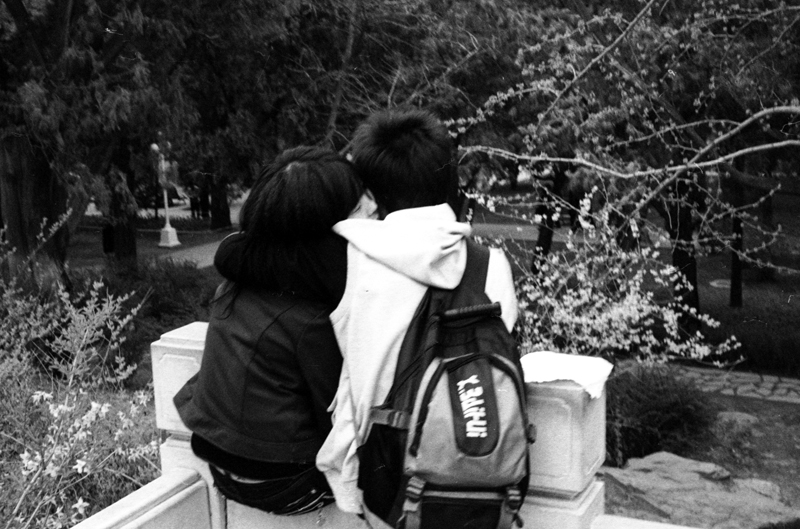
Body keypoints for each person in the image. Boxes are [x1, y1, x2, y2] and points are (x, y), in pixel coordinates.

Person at [315, 109, 519, 518]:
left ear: (372, 190)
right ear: (448, 179)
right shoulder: (490, 265)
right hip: (477, 477)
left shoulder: (350, 258)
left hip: (382, 478)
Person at [173, 146, 375, 515]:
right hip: (282, 483)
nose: (372, 209)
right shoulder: (312, 316)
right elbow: (338, 419)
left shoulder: (241, 277)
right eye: (358, 206)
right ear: (325, 225)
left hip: (219, 459)